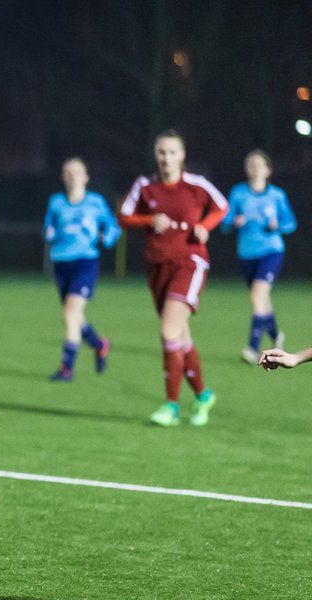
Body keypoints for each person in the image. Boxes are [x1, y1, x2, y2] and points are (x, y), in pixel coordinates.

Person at [118, 130, 227, 427]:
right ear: (156, 155)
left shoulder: (196, 185)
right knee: (180, 336)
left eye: (172, 152)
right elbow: (124, 217)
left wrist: (205, 225)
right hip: (157, 267)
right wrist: (148, 220)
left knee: (169, 332)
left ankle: (171, 406)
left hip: (190, 263)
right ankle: (203, 396)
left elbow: (221, 206)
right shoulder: (145, 186)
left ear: (182, 155)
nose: (166, 158)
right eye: (161, 153)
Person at [42, 157, 120, 381]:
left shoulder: (95, 202)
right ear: (62, 177)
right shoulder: (56, 202)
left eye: (76, 172)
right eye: (67, 172)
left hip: (85, 261)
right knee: (75, 316)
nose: (72, 176)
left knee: (70, 313)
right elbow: (48, 227)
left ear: (86, 177)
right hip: (61, 262)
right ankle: (99, 344)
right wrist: (49, 233)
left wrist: (107, 237)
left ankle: (66, 368)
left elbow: (113, 227)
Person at [221, 150, 298, 365]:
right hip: (246, 254)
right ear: (246, 169)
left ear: (268, 170)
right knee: (261, 300)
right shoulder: (238, 193)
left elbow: (291, 223)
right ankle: (276, 336)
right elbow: (225, 223)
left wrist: (278, 225)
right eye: (250, 164)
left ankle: (253, 348)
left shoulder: (277, 195)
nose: (254, 167)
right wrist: (232, 222)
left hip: (272, 251)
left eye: (259, 164)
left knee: (257, 296)